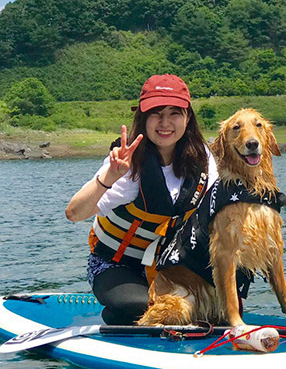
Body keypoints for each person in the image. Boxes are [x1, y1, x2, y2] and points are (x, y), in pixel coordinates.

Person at [65, 74, 217, 324]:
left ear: (187, 118)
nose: (165, 123)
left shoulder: (203, 159)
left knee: (214, 307)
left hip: (170, 267)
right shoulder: (128, 164)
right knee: (141, 308)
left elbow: (217, 211)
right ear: (143, 118)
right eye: (156, 113)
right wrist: (110, 176)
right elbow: (74, 213)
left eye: (174, 113)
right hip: (116, 266)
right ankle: (117, 314)